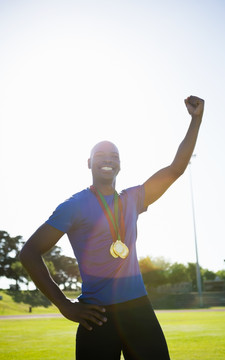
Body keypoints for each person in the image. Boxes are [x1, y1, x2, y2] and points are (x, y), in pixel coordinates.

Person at [20, 95, 204, 360]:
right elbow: (29, 252)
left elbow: (176, 168)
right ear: (89, 163)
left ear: (120, 164)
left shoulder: (133, 199)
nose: (108, 159)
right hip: (97, 316)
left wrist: (196, 120)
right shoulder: (74, 205)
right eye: (100, 155)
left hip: (139, 311)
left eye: (113, 156)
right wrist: (64, 305)